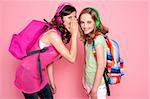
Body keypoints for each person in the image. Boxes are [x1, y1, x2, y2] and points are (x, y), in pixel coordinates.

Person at [14, 3, 78, 99]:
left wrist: (51, 82)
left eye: (75, 17)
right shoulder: (53, 35)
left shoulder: (58, 34)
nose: (73, 21)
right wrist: (74, 34)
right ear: (60, 19)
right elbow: (72, 58)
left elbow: (49, 60)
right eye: (69, 17)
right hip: (27, 73)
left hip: (40, 74)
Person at [78, 7, 108, 99]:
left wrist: (94, 90)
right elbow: (86, 61)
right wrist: (84, 78)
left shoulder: (98, 40)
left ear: (96, 22)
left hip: (98, 86)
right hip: (89, 82)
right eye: (82, 22)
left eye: (89, 22)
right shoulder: (87, 39)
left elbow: (101, 65)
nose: (85, 26)